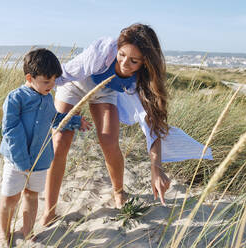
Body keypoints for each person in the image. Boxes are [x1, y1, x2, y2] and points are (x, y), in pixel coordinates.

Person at [42, 23, 213, 226]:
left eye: (134, 61)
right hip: (74, 85)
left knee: (109, 141)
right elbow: (64, 75)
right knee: (60, 141)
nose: (124, 64)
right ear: (117, 48)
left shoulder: (143, 80)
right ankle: (49, 211)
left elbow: (153, 124)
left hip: (105, 92)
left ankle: (119, 192)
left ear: (145, 63)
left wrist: (156, 167)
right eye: (122, 55)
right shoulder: (103, 50)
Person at [0, 48, 90, 246]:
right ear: (30, 77)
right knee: (10, 199)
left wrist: (74, 121)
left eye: (54, 80)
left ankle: (27, 231)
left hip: (40, 159)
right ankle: (4, 234)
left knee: (31, 196)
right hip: (17, 161)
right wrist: (22, 162)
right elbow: (11, 130)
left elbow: (55, 119)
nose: (52, 85)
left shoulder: (47, 98)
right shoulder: (15, 98)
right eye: (46, 81)